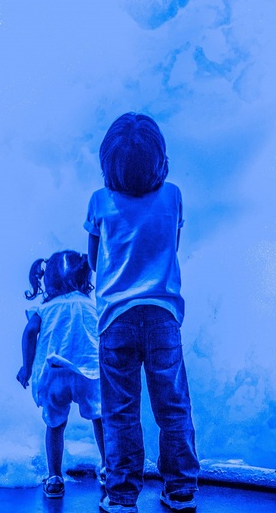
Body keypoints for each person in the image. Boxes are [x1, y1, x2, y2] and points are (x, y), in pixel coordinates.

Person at [85, 113, 200, 513]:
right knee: (172, 406)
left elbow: (95, 259)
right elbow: (172, 245)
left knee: (120, 412)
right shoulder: (173, 196)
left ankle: (121, 496)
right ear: (160, 159)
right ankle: (181, 489)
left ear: (108, 163)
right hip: (163, 316)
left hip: (115, 320)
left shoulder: (100, 201)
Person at [17, 250, 106, 499]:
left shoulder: (44, 308)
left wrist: (26, 367)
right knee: (99, 418)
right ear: (83, 278)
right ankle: (109, 468)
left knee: (55, 424)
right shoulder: (91, 304)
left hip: (54, 372)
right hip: (88, 373)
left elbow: (29, 333)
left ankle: (55, 477)